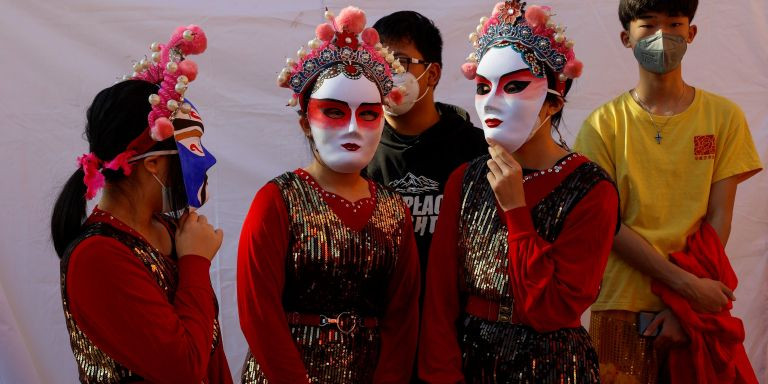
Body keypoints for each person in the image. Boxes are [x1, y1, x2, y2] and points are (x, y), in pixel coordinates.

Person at [418, 2, 619, 383]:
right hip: (471, 359)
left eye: (514, 86)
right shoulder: (466, 178)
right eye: (482, 87)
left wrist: (516, 211)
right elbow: (440, 299)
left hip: (552, 365)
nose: (491, 102)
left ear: (553, 101)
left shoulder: (592, 190)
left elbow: (552, 309)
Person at [574, 0, 762, 382]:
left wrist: (685, 306)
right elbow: (608, 226)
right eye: (648, 24)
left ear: (691, 33)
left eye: (675, 23)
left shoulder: (723, 117)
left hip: (695, 309)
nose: (663, 36)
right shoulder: (602, 125)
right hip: (620, 306)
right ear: (627, 38)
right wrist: (686, 289)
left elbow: (718, 218)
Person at [237, 6, 420, 384]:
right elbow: (259, 312)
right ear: (305, 121)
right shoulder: (277, 200)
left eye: (368, 114)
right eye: (334, 112)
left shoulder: (393, 209)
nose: (353, 128)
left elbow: (402, 316)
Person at [51, 26, 232, 383]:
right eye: (190, 148)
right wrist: (195, 263)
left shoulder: (167, 229)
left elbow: (210, 348)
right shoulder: (97, 257)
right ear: (152, 163)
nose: (205, 161)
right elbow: (183, 367)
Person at [365, 11, 487, 271]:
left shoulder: (474, 149)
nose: (384, 75)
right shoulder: (360, 145)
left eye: (398, 62)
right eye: (376, 63)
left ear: (432, 74)